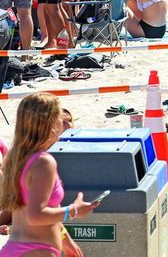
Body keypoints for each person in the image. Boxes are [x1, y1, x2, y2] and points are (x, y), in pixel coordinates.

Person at [0, 93, 100, 257]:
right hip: (35, 251)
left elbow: (32, 211)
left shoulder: (18, 157)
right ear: (50, 123)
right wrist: (73, 210)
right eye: (59, 116)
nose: (63, 120)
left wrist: (66, 241)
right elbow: (35, 215)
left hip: (19, 249)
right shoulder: (43, 162)